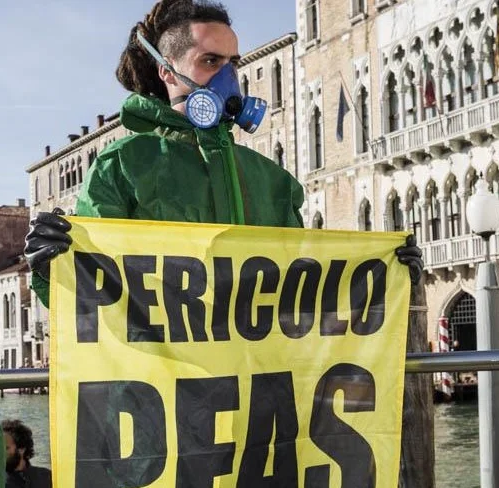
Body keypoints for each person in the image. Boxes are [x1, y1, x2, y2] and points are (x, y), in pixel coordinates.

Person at [24, 0, 424, 306]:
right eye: (210, 61)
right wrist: (51, 267)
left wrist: (383, 275)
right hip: (164, 387)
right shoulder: (122, 165)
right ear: (167, 70)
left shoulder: (274, 182)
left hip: (256, 384)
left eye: (234, 62)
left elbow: (301, 291)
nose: (228, 76)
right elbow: (91, 299)